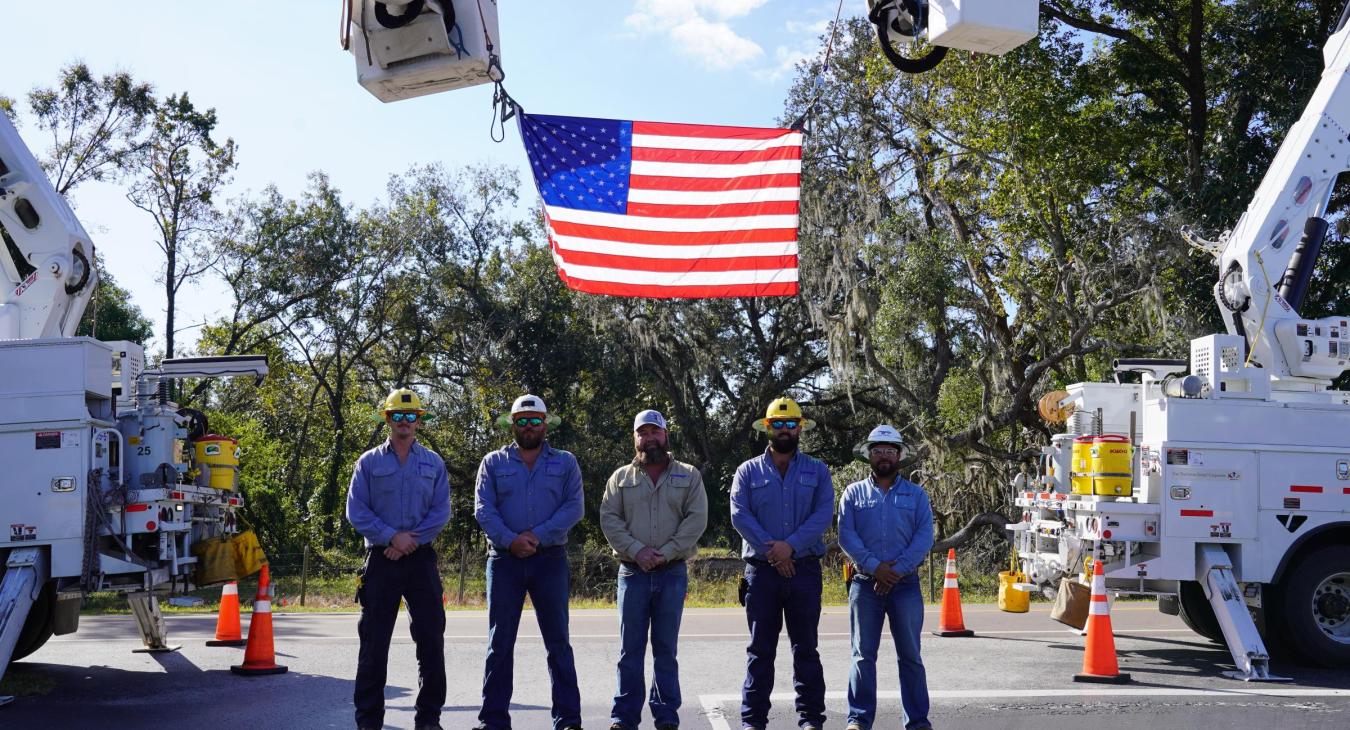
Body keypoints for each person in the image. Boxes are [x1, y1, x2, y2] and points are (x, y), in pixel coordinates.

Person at [473, 394, 585, 730]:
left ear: (546, 424)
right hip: (504, 561)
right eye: (521, 420)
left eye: (535, 420)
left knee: (558, 642)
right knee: (499, 643)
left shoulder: (566, 462)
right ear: (512, 424)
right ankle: (493, 720)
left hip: (549, 560)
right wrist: (512, 540)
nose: (529, 426)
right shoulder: (493, 462)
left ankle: (567, 719)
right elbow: (483, 509)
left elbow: (574, 507)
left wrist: (536, 537)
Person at [346, 387, 450, 730]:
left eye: (411, 417)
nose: (404, 423)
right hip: (380, 559)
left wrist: (409, 541)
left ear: (419, 421)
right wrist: (392, 537)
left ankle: (429, 718)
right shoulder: (369, 462)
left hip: (420, 559)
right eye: (397, 416)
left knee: (432, 641)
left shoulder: (433, 463)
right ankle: (369, 721)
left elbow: (440, 512)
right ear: (387, 419)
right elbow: (356, 510)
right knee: (374, 645)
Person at [600, 409, 708, 730]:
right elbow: (610, 520)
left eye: (654, 432)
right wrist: (638, 551)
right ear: (635, 439)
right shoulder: (620, 478)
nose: (649, 438)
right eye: (642, 433)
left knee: (665, 650)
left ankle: (666, 716)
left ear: (666, 434)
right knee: (629, 651)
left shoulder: (689, 475)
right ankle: (624, 717)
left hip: (672, 573)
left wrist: (665, 553)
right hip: (632, 574)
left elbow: (696, 519)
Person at [729, 397, 834, 730]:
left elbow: (823, 515)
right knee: (760, 652)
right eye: (778, 424)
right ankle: (753, 721)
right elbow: (739, 514)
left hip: (804, 571)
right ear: (767, 428)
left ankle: (810, 719)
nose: (785, 430)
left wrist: (791, 547)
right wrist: (774, 552)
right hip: (761, 574)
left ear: (800, 428)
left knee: (806, 650)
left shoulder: (817, 470)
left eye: (791, 424)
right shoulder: (747, 471)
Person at [837, 424, 935, 730]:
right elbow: (846, 535)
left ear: (898, 455)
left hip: (905, 586)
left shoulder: (916, 495)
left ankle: (917, 721)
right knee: (863, 655)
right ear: (869, 455)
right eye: (878, 450)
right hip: (865, 586)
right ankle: (859, 719)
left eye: (889, 451)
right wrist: (874, 567)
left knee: (910, 656)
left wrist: (896, 570)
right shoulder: (853, 493)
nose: (883, 456)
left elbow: (924, 536)